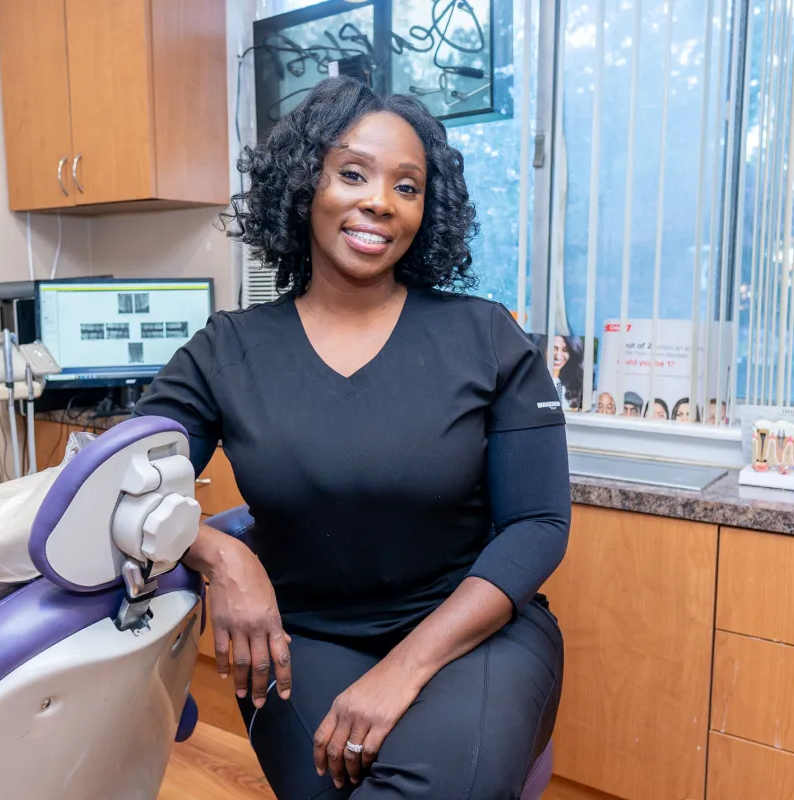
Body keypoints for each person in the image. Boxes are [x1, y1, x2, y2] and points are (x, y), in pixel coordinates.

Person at [134, 77, 570, 799]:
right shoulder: (228, 351)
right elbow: (117, 477)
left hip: (472, 631)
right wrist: (220, 556)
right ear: (306, 186)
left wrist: (402, 670)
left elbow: (538, 523)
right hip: (300, 639)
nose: (380, 201)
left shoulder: (484, 336)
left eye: (407, 186)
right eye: (353, 173)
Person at [552, 334, 584, 411]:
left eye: (565, 350)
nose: (558, 356)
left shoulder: (571, 386)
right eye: (554, 349)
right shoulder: (534, 381)